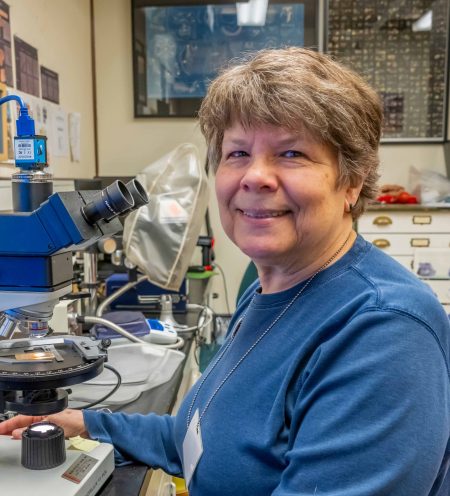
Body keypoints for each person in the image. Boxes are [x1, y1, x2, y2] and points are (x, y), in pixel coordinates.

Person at [1, 47, 449, 495]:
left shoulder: (384, 331)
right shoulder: (266, 289)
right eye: (237, 153)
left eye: (291, 153)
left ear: (352, 181)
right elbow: (202, 437)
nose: (255, 177)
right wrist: (86, 422)